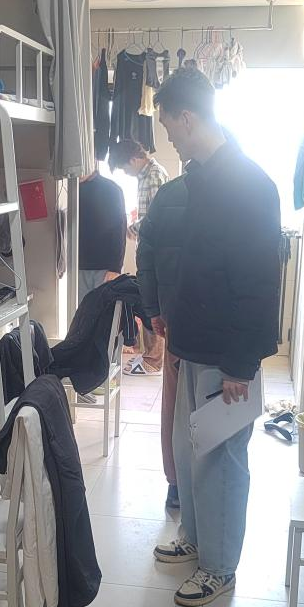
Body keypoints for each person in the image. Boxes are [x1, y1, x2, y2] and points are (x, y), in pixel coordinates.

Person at [149, 67, 281, 607]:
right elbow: (192, 266)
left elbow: (258, 281)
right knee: (191, 451)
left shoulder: (249, 185)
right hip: (193, 343)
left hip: (227, 354)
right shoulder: (200, 180)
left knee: (221, 459)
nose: (170, 138)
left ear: (187, 118)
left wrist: (240, 364)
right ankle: (197, 538)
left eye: (169, 127)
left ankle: (220, 567)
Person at [136, 169, 191, 510]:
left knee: (174, 402)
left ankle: (176, 484)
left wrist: (154, 308)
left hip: (176, 318)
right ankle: (202, 482)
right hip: (218, 324)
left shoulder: (168, 194)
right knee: (216, 405)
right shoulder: (241, 188)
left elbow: (146, 255)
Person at [111, 137, 169, 376]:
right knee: (148, 299)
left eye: (125, 167)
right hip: (151, 248)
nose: (126, 172)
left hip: (155, 250)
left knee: (151, 301)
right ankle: (150, 357)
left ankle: (153, 361)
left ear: (134, 159)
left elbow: (156, 217)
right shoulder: (148, 176)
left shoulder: (153, 175)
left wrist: (132, 228)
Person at [77, 169, 127, 296]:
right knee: (76, 308)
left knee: (102, 307)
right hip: (74, 266)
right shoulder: (70, 189)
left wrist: (116, 268)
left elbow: (119, 229)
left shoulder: (111, 189)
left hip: (104, 268)